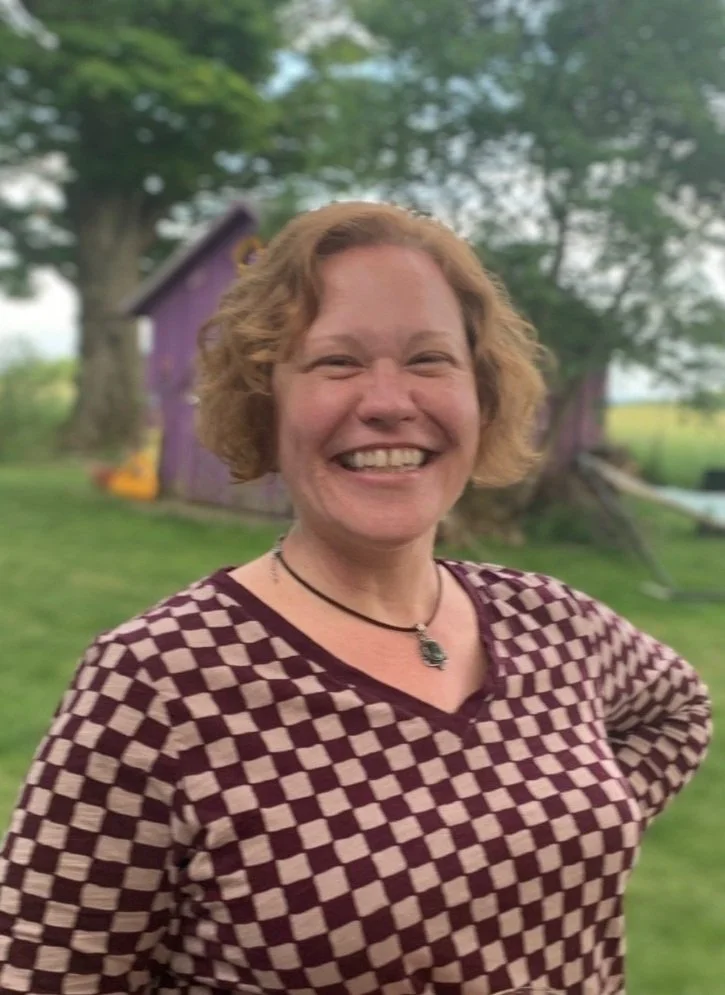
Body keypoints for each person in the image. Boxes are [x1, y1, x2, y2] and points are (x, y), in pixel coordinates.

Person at [0, 201, 712, 995]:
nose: (387, 401)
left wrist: (539, 838)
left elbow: (679, 708)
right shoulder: (158, 684)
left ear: (479, 394)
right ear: (266, 402)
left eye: (429, 359)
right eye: (336, 361)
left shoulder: (552, 620)